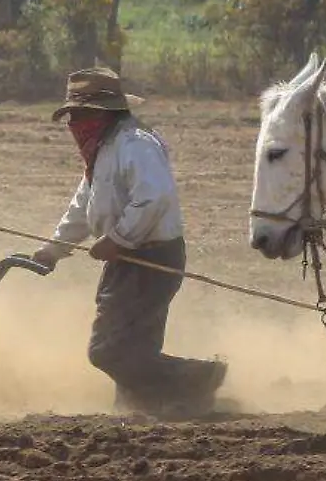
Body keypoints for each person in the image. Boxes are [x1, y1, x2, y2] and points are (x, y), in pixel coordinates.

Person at [31, 68, 227, 418]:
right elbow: (83, 206)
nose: (73, 123)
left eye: (80, 114)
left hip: (151, 257)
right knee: (134, 346)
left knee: (107, 350)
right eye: (71, 116)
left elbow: (154, 198)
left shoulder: (134, 143)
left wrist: (118, 239)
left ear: (103, 113)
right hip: (127, 259)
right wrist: (54, 249)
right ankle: (141, 410)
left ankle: (200, 378)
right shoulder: (103, 149)